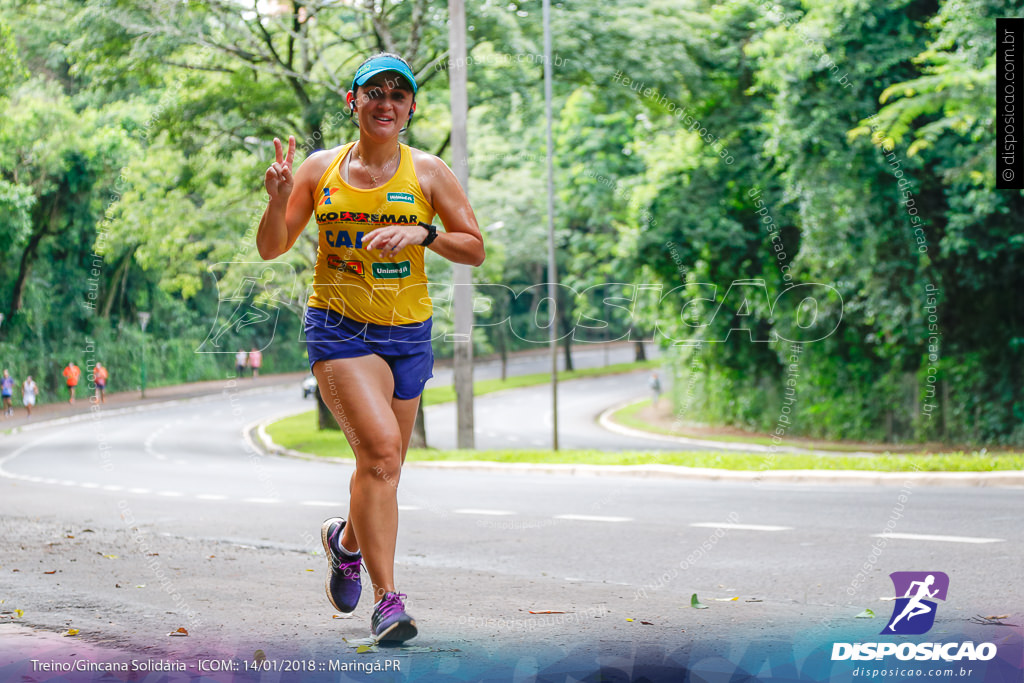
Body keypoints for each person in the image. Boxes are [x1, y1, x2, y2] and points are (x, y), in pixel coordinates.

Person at [257, 53, 485, 644]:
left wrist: (424, 233)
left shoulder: (429, 173)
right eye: (374, 91)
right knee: (381, 450)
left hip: (407, 335)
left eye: (399, 94)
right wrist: (276, 199)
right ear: (351, 101)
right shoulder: (317, 168)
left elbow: (473, 246)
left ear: (410, 109)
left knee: (384, 469)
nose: (387, 101)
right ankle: (389, 603)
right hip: (337, 328)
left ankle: (344, 543)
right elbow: (272, 247)